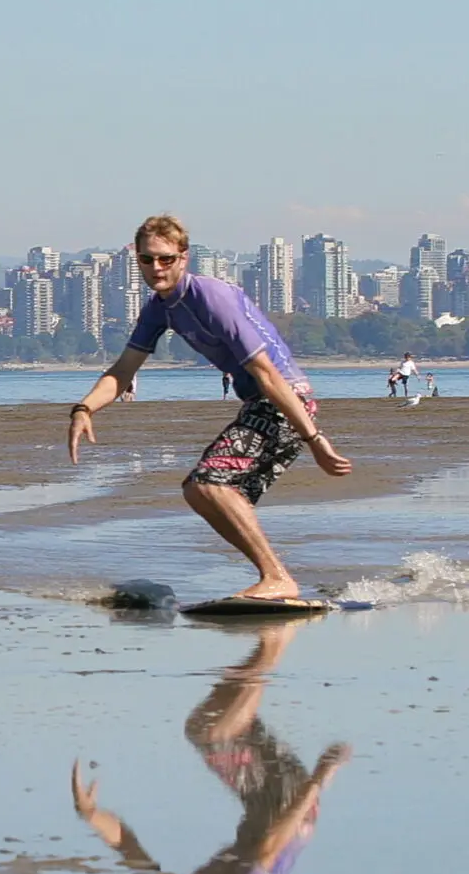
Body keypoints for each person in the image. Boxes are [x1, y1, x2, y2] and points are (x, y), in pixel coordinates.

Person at [69, 215, 353, 601]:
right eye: (147, 260)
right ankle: (276, 578)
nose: (156, 268)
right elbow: (122, 371)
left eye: (166, 259)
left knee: (209, 484)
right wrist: (83, 409)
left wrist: (315, 439)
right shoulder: (159, 309)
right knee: (200, 492)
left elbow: (268, 375)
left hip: (285, 401)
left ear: (183, 258)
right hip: (261, 404)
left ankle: (277, 578)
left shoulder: (210, 296)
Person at [71, 621, 351, 874]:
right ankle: (274, 643)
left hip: (268, 810)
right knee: (217, 736)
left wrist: (92, 816)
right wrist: (318, 778)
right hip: (288, 812)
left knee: (205, 726)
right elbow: (271, 847)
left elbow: (133, 853)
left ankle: (268, 644)